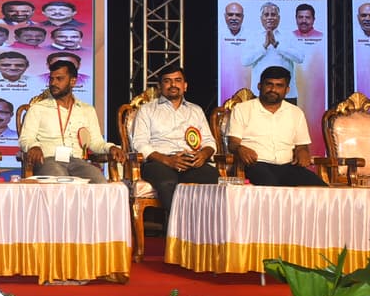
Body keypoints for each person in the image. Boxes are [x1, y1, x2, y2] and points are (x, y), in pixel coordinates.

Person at [130, 64, 218, 216]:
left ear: (185, 86)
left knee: (213, 177)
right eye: (167, 81)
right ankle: (176, 227)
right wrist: (168, 160)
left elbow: (209, 141)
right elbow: (139, 144)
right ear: (159, 86)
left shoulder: (196, 110)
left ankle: (202, 226)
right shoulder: (147, 110)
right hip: (159, 162)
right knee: (167, 182)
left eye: (178, 80)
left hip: (190, 161)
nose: (173, 85)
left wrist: (203, 155)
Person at [19, 59, 122, 183]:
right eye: (51, 79)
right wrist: (34, 146)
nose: (53, 83)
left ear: (73, 81)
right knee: (61, 180)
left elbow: (96, 143)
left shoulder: (87, 110)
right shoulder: (38, 109)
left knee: (100, 182)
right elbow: (26, 138)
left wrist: (111, 148)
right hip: (48, 160)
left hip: (77, 162)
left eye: (59, 79)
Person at [227, 66, 326, 186]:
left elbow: (301, 145)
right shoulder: (242, 109)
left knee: (320, 188)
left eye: (279, 85)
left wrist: (303, 151)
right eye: (269, 84)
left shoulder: (296, 112)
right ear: (259, 86)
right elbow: (232, 143)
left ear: (287, 90)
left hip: (288, 166)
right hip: (256, 164)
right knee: (271, 186)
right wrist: (239, 148)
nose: (273, 89)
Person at [242, 2, 303, 99]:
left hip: (286, 93)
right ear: (261, 18)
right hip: (260, 92)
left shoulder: (288, 35)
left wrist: (277, 45)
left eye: (273, 15)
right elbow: (245, 61)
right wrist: (264, 46)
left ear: (279, 18)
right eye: (266, 15)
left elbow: (300, 58)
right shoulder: (253, 36)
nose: (270, 18)